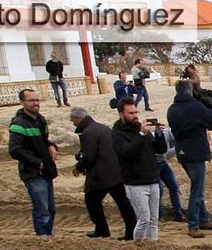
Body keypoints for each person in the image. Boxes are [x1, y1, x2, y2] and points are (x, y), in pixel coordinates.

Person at [166, 78, 212, 238]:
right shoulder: (195, 107)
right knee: (197, 191)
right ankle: (193, 224)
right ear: (190, 91)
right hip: (196, 152)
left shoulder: (172, 109)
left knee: (196, 186)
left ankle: (204, 219)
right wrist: (210, 107)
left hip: (181, 151)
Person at [69, 107, 136, 239]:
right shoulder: (102, 127)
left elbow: (89, 156)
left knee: (92, 201)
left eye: (73, 120)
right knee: (123, 202)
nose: (73, 123)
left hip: (101, 175)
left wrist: (78, 167)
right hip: (116, 172)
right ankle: (131, 231)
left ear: (78, 118)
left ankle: (102, 230)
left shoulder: (88, 132)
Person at [8, 88, 58, 235]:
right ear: (22, 102)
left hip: (46, 170)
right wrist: (38, 163)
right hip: (33, 172)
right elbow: (15, 150)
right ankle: (43, 239)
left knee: (50, 209)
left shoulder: (41, 120)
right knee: (42, 210)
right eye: (31, 100)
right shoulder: (19, 124)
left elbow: (43, 141)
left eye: (37, 100)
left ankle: (47, 235)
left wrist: (52, 146)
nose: (35, 103)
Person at [112, 100, 159, 239]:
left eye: (136, 112)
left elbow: (159, 149)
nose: (135, 116)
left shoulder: (140, 128)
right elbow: (128, 152)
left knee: (153, 221)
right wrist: (141, 135)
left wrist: (159, 134)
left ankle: (154, 247)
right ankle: (138, 248)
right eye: (131, 113)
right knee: (143, 219)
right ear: (121, 114)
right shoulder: (117, 133)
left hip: (152, 178)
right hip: (135, 182)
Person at [146, 117, 184, 221]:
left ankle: (178, 214)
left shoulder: (170, 135)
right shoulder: (166, 135)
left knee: (173, 187)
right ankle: (159, 216)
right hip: (154, 164)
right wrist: (179, 147)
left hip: (161, 162)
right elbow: (165, 153)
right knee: (159, 191)